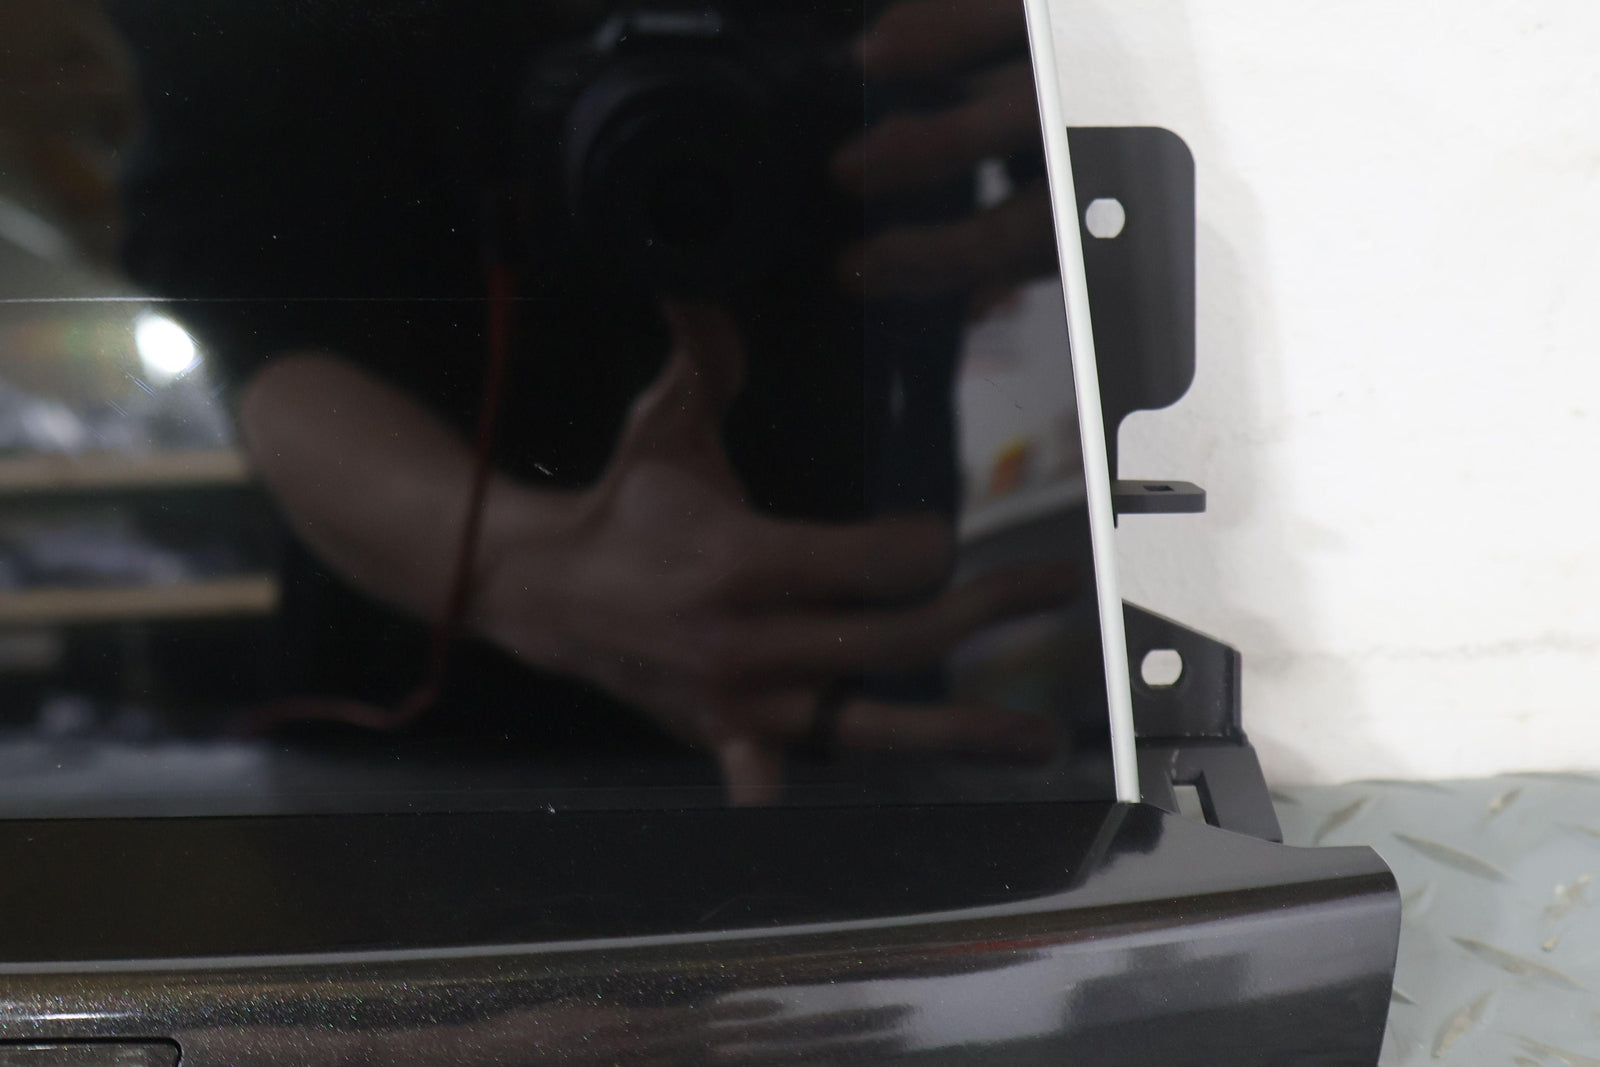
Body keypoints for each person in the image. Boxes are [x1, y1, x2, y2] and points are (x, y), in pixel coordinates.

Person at [107, 0, 1066, 803]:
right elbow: (248, 300)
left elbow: (245, 297)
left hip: (840, 677)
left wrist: (1117, 117)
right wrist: (522, 568)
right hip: (441, 739)